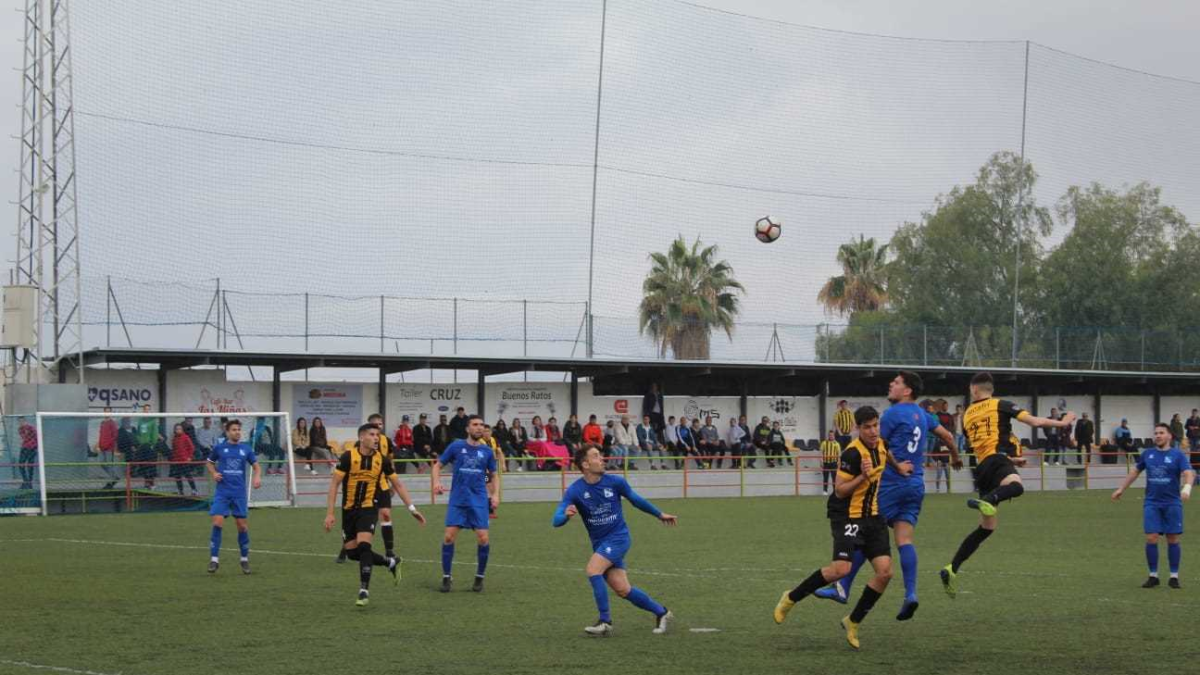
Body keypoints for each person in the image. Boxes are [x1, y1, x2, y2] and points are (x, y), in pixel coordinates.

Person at [816, 371, 959, 621]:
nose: (890, 385)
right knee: (905, 539)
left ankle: (842, 587)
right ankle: (911, 594)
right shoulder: (924, 415)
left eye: (896, 383)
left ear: (907, 390)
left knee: (865, 536)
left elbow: (876, 445)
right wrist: (956, 457)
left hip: (890, 485)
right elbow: (947, 436)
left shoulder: (893, 414)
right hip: (915, 485)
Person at [774, 406, 907, 650]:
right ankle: (791, 597)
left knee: (885, 573)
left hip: (873, 516)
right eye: (867, 427)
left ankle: (853, 621)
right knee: (840, 569)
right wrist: (863, 478)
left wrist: (900, 468)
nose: (872, 431)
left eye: (875, 425)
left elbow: (887, 453)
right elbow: (839, 490)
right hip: (847, 516)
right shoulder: (851, 454)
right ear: (857, 428)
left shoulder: (882, 443)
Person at [940, 372, 1075, 598]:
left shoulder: (966, 416)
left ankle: (952, 568)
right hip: (996, 459)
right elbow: (1034, 421)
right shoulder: (999, 404)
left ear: (974, 390)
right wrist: (1063, 422)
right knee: (1017, 486)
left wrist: (1011, 460)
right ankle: (988, 500)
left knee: (987, 528)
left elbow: (980, 445)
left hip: (982, 468)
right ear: (989, 389)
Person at [553, 443, 677, 636]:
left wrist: (659, 514)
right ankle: (662, 612)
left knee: (593, 570)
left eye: (600, 455)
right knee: (623, 589)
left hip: (619, 538)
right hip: (600, 544)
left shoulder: (615, 482)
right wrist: (566, 516)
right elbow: (556, 519)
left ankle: (605, 621)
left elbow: (636, 500)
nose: (601, 458)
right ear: (585, 464)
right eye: (596, 456)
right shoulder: (574, 491)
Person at [323, 423, 425, 606]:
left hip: (368, 508)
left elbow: (398, 485)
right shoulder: (348, 457)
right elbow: (334, 485)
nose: (376, 437)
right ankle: (391, 563)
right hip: (348, 511)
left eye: (378, 434)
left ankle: (364, 591)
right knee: (353, 553)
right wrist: (330, 513)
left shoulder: (382, 460)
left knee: (363, 546)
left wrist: (412, 508)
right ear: (362, 437)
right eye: (372, 434)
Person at [1112, 422, 1195, 589]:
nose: (1157, 435)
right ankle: (1153, 575)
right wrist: (1121, 488)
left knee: (1172, 539)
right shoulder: (1148, 454)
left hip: (1172, 503)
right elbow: (1135, 471)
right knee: (1151, 537)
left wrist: (1186, 488)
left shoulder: (1178, 455)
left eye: (1161, 433)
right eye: (1156, 433)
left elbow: (1188, 473)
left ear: (1169, 436)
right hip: (1152, 503)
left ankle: (1174, 576)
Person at [432, 415, 499, 593]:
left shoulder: (486, 452)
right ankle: (446, 577)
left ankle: (479, 577)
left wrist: (495, 494)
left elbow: (490, 475)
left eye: (481, 425)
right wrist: (436, 482)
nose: (479, 428)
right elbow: (437, 465)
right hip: (458, 499)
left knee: (483, 538)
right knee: (448, 537)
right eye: (475, 425)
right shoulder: (456, 447)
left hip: (478, 500)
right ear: (467, 429)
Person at [205, 419, 262, 574]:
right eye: (234, 429)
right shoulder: (219, 448)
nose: (237, 432)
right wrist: (214, 473)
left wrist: (257, 477)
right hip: (222, 492)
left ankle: (244, 559)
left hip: (239, 493)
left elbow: (257, 467)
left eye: (239, 429)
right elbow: (209, 463)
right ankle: (214, 560)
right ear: (227, 432)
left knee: (242, 526)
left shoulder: (246, 449)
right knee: (217, 522)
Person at [170, 423, 199, 496]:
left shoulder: (186, 437)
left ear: (182, 430)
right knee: (177, 476)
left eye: (179, 429)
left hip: (184, 460)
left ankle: (194, 490)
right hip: (177, 461)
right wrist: (174, 459)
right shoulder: (174, 439)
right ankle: (180, 490)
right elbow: (174, 449)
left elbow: (192, 448)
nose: (178, 430)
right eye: (176, 429)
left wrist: (189, 457)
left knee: (188, 475)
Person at [97, 408, 120, 490]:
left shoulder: (112, 423)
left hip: (109, 448)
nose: (107, 413)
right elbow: (100, 434)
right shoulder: (102, 423)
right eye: (105, 412)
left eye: (108, 412)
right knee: (101, 463)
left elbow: (115, 436)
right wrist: (98, 445)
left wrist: (109, 444)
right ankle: (115, 477)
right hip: (102, 447)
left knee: (109, 464)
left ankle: (110, 482)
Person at [17, 417, 38, 490]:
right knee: (21, 464)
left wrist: (35, 447)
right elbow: (25, 438)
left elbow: (36, 436)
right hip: (25, 447)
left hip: (32, 447)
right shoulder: (20, 429)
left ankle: (29, 482)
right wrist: (25, 432)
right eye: (20, 422)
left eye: (22, 421)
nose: (21, 423)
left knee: (30, 465)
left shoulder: (31, 428)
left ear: (26, 421)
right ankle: (26, 481)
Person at [819, 431, 841, 495]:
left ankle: (834, 491)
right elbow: (821, 452)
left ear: (834, 436)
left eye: (832, 435)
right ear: (828, 436)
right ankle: (825, 491)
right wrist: (821, 461)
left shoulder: (837, 443)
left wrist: (839, 462)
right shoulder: (824, 443)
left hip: (834, 463)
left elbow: (839, 454)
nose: (831, 436)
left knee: (834, 478)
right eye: (830, 435)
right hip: (826, 463)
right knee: (825, 477)